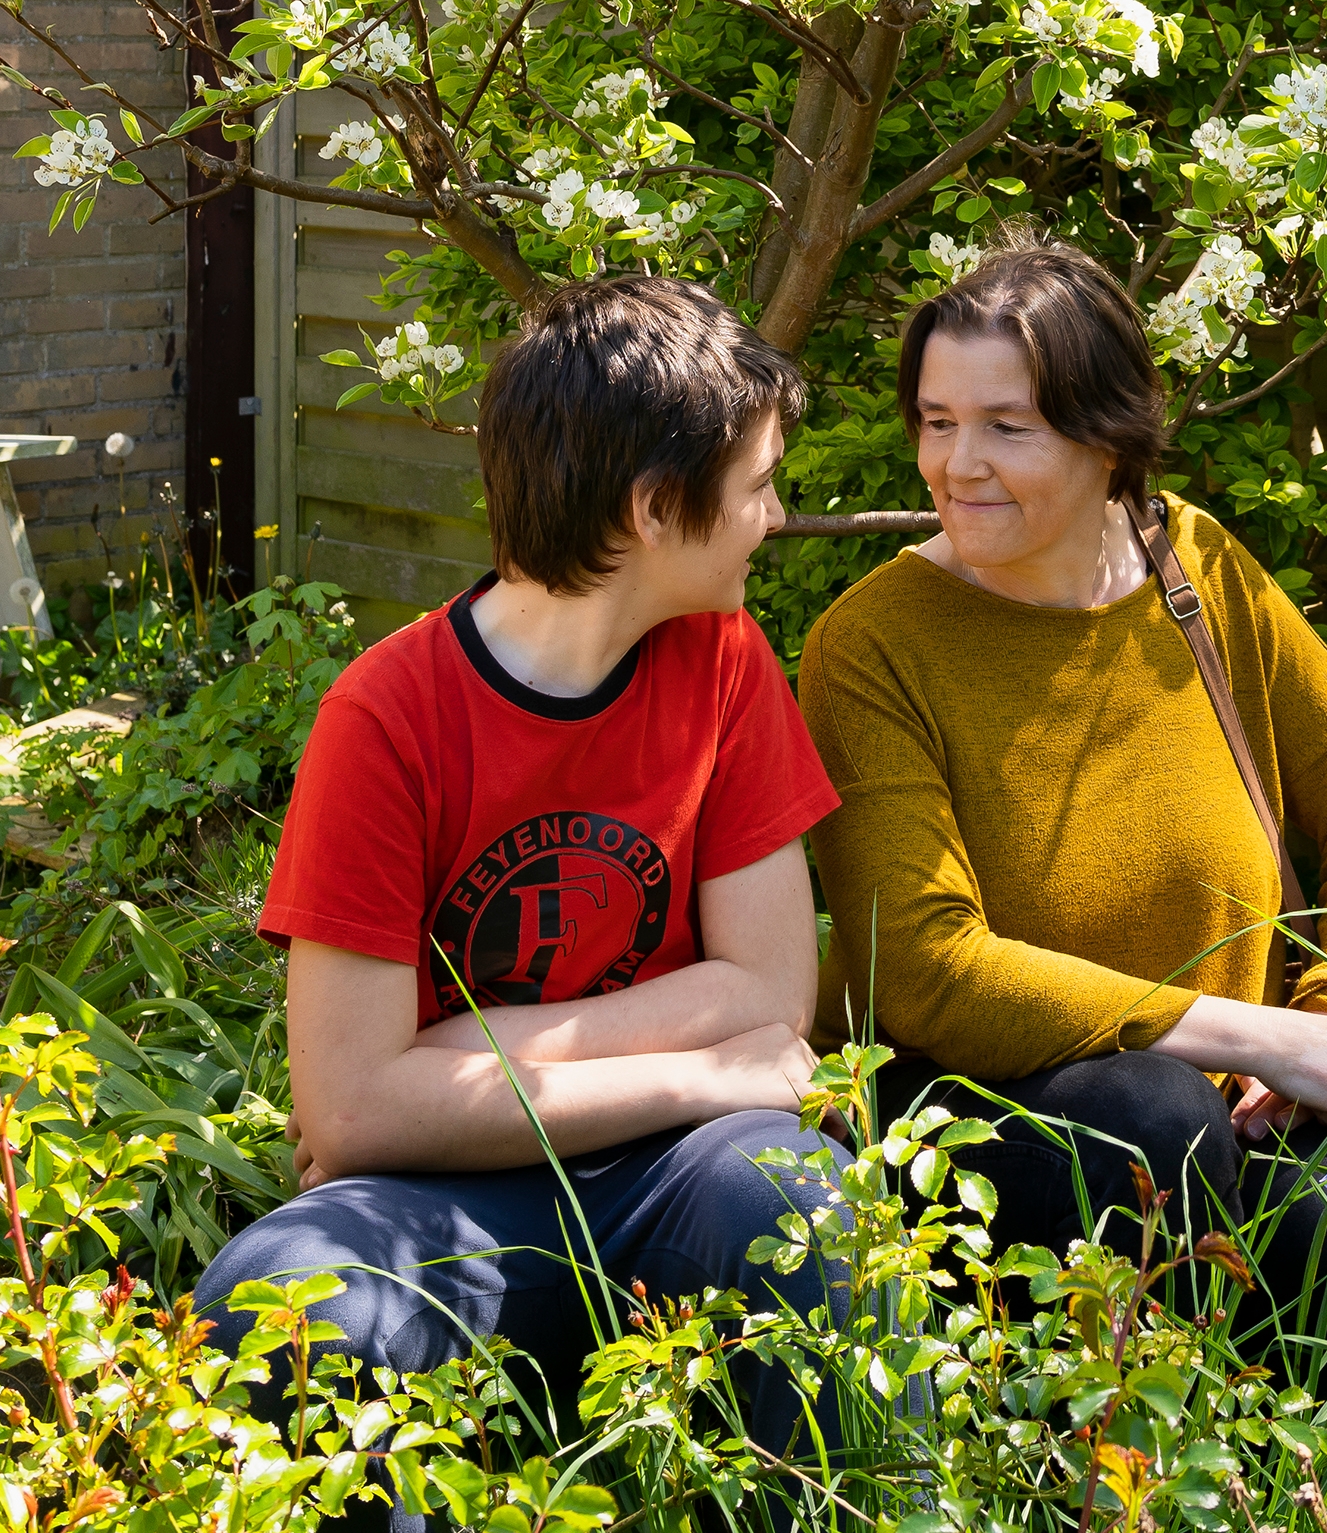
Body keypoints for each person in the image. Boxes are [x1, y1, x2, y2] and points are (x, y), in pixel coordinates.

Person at [197, 274, 846, 1459]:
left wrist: (458, 1057)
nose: (776, 516)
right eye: (756, 487)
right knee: (278, 1306)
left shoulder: (725, 663)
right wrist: (702, 1075)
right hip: (457, 1198)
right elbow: (350, 1116)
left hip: (684, 1176)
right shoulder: (386, 718)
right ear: (655, 508)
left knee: (793, 1198)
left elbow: (770, 996)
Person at [798, 242, 1327, 1317]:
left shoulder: (1193, 567)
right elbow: (924, 967)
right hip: (966, 1122)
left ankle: (1314, 1490)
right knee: (1148, 1115)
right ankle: (1102, 1481)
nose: (956, 465)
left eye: (1007, 427)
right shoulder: (871, 645)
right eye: (937, 421)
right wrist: (1256, 1034)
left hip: (1228, 1111)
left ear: (1108, 437)